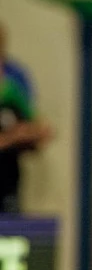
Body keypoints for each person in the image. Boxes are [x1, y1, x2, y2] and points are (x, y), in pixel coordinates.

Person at [0, 23, 52, 216]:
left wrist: (31, 132)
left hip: (7, 176)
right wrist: (11, 137)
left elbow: (38, 128)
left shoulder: (14, 80)